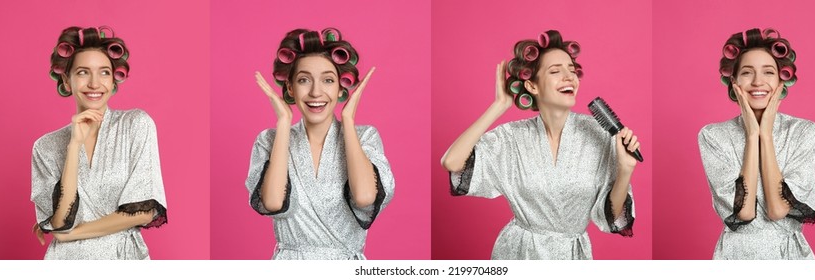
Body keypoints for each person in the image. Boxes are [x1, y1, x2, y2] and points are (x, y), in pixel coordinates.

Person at [441, 30, 640, 260]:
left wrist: (626, 169)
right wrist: (498, 106)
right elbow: (452, 162)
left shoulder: (599, 135)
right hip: (517, 253)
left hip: (572, 257)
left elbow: (614, 217)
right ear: (532, 86)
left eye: (572, 70)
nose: (569, 77)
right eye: (555, 71)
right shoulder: (512, 138)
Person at [247, 28, 394, 260]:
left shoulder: (365, 137)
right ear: (290, 88)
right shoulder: (269, 140)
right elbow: (273, 202)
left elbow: (365, 196)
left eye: (328, 80)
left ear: (340, 87)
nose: (316, 92)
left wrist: (348, 120)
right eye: (304, 80)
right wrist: (284, 122)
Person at [31, 26, 168, 260]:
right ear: (66, 80)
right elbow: (60, 221)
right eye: (83, 72)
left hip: (123, 258)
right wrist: (73, 146)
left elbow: (144, 212)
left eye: (104, 72)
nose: (95, 83)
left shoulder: (136, 125)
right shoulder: (45, 147)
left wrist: (70, 234)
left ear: (114, 78)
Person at [699, 27, 815, 260]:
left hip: (789, 257)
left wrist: (765, 134)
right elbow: (744, 212)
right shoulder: (713, 136)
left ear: (780, 80)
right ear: (734, 80)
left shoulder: (805, 133)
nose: (757, 82)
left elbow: (778, 210)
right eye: (747, 72)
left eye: (768, 72)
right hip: (735, 257)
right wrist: (752, 135)